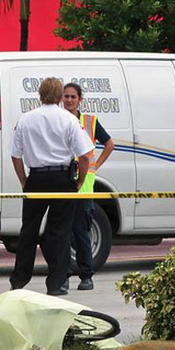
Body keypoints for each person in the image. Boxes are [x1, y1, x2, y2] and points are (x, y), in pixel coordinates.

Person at [8, 78, 94, 296]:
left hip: (36, 179)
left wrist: (24, 182)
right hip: (62, 179)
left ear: (40, 95)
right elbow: (85, 156)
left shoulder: (26, 119)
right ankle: (56, 283)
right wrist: (80, 181)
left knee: (28, 231)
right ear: (59, 97)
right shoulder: (69, 120)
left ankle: (18, 280)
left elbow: (15, 155)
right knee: (60, 233)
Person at [61, 83, 115, 291]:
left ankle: (86, 275)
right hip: (64, 183)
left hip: (84, 187)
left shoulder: (89, 122)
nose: (69, 100)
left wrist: (96, 165)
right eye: (66, 96)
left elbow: (110, 144)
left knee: (82, 232)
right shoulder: (59, 119)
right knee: (63, 233)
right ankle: (64, 275)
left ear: (80, 99)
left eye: (73, 96)